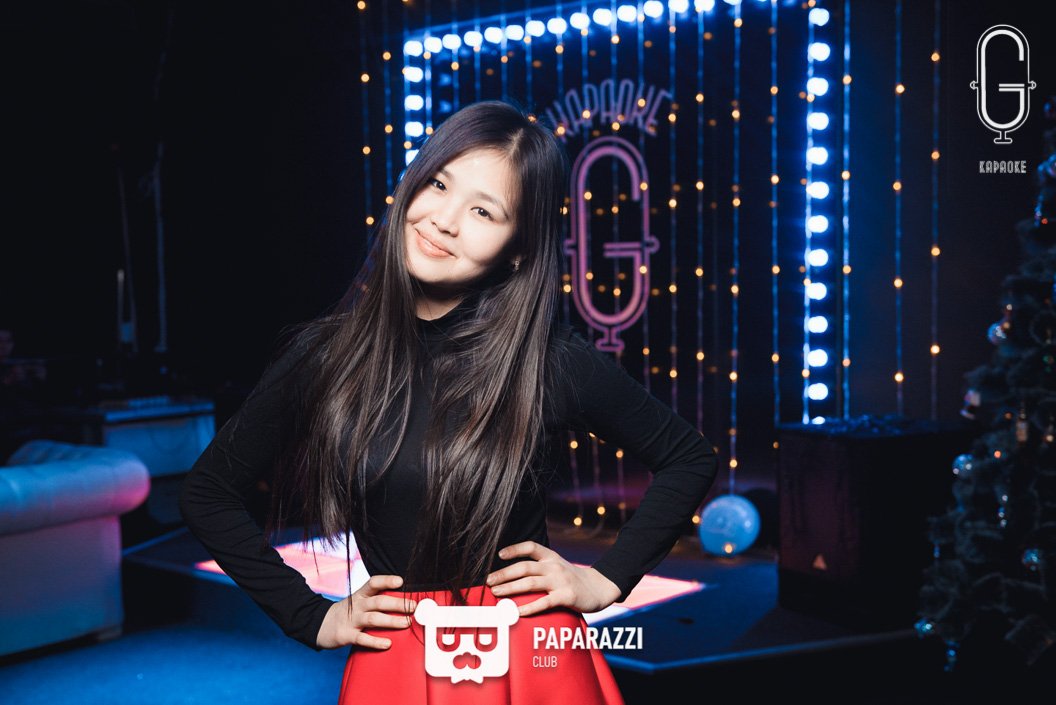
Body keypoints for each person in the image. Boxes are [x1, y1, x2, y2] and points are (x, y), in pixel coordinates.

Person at [179, 100, 717, 705]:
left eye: (484, 210)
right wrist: (308, 614)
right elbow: (208, 492)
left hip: (531, 653)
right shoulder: (326, 356)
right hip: (397, 657)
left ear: (518, 248)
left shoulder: (548, 361)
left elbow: (688, 458)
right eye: (438, 184)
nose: (444, 220)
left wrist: (606, 580)